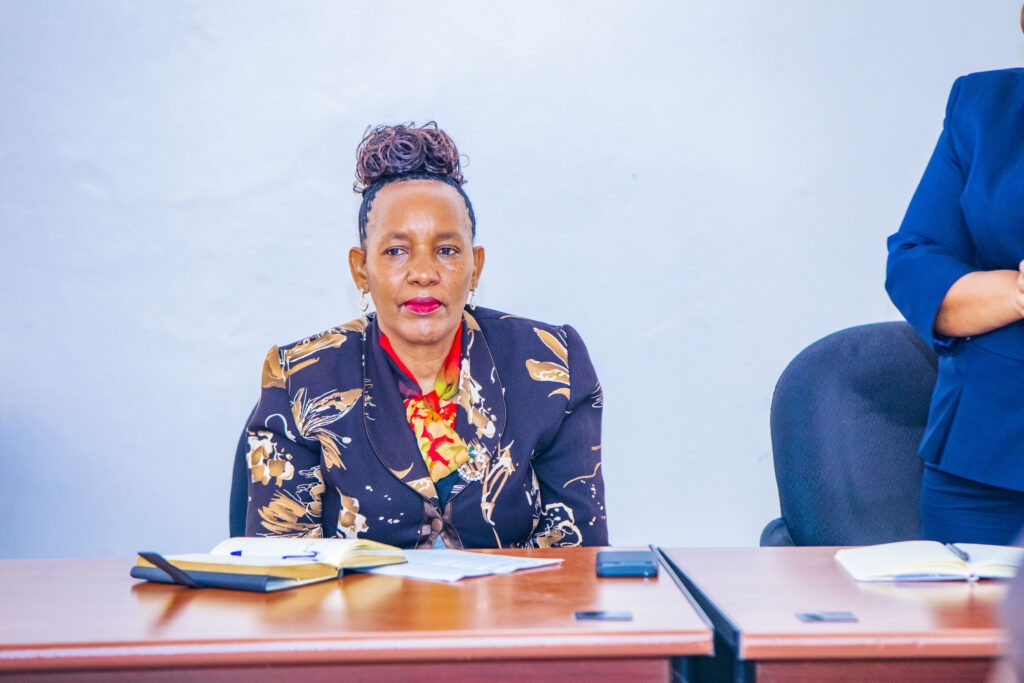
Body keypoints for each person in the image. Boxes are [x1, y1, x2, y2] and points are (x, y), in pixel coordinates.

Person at [242, 122, 608, 549]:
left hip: (512, 597)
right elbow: (282, 567)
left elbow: (578, 557)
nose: (422, 273)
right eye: (396, 251)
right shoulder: (301, 377)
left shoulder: (552, 365)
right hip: (359, 598)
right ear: (361, 270)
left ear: (476, 266)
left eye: (446, 250)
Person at [885, 8, 1024, 545]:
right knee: (961, 601)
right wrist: (1016, 293)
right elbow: (916, 263)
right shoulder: (983, 109)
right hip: (985, 461)